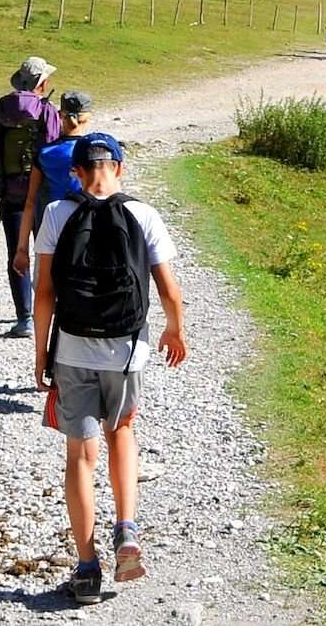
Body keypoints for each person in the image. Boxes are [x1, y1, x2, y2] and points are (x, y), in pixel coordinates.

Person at [33, 134, 188, 604]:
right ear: (118, 167)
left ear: (75, 172)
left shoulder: (57, 214)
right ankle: (126, 528)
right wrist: (174, 331)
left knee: (80, 455)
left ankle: (86, 568)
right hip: (126, 352)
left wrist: (41, 353)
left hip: (73, 351)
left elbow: (43, 294)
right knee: (122, 431)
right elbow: (168, 289)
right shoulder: (143, 214)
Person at [0, 58, 63, 337]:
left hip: (10, 193)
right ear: (41, 83)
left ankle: (24, 318)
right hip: (42, 194)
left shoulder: (0, 108)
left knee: (16, 253)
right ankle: (49, 311)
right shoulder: (46, 110)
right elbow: (54, 149)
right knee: (48, 253)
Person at [12, 90, 98, 279]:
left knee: (46, 291)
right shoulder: (96, 151)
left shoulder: (44, 154)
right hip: (89, 232)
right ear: (89, 116)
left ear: (60, 115)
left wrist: (22, 249)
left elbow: (30, 203)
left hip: (50, 232)